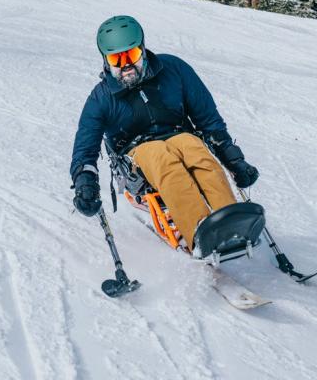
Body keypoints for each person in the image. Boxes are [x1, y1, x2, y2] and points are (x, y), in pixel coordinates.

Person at [69, 15, 259, 254]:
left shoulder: (174, 69)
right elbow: (85, 147)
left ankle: (230, 223)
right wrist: (85, 183)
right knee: (162, 157)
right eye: (117, 59)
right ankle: (200, 232)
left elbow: (208, 118)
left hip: (179, 135)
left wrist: (234, 160)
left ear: (143, 50)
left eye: (132, 56)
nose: (126, 65)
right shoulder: (101, 97)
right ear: (106, 61)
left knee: (196, 150)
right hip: (136, 152)